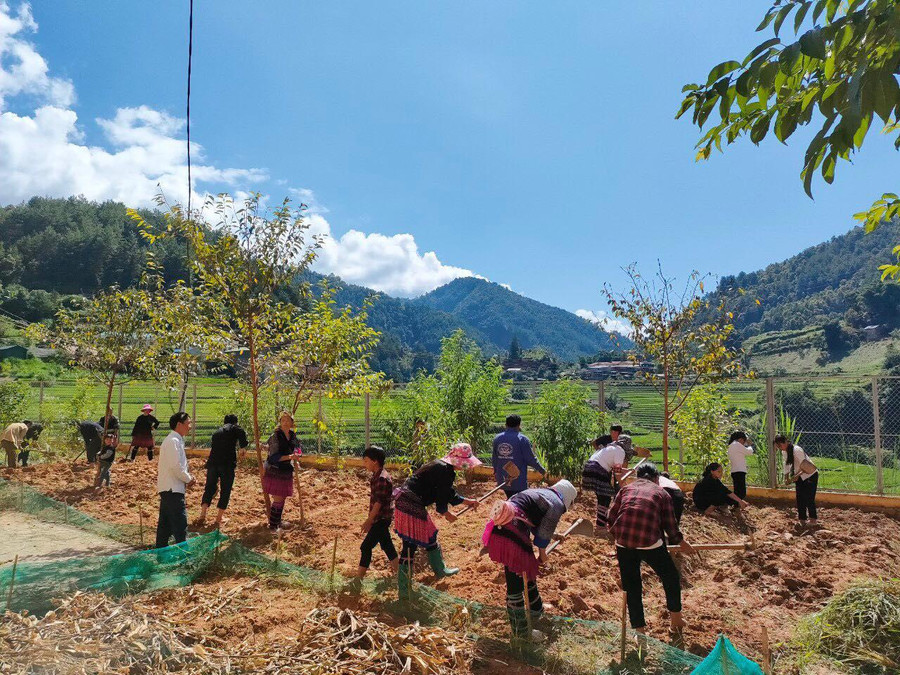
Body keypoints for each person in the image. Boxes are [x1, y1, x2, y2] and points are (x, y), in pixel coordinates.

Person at [482, 479, 578, 641]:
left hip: (502, 524)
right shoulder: (556, 504)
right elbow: (543, 533)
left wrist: (554, 535)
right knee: (516, 581)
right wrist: (542, 554)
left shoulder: (542, 493)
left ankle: (535, 610)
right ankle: (521, 633)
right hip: (513, 530)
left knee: (527, 569)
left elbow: (531, 519)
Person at [608, 462, 694, 634]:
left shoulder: (625, 489)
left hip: (623, 542)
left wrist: (619, 535)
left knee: (631, 586)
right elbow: (670, 525)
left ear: (638, 477)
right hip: (649, 541)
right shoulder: (661, 493)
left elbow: (611, 516)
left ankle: (639, 631)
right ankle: (676, 619)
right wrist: (682, 542)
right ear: (657, 478)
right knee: (670, 577)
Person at [393, 443, 480, 600]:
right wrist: (446, 513)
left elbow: (448, 493)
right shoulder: (445, 471)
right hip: (411, 502)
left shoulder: (443, 467)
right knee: (409, 545)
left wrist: (469, 501)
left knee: (430, 534)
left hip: (408, 500)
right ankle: (404, 589)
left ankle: (440, 570)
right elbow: (442, 498)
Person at [354, 446, 399, 585]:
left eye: (366, 461)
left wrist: (369, 520)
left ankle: (358, 580)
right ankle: (402, 576)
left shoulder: (381, 478)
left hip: (381, 518)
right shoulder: (377, 476)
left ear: (375, 461)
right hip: (380, 518)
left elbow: (379, 502)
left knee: (365, 547)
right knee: (387, 545)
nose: (364, 464)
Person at [198, 414, 249, 528]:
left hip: (213, 463)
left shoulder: (217, 432)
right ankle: (218, 519)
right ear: (235, 422)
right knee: (225, 489)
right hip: (227, 464)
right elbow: (241, 432)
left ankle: (202, 514)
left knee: (209, 487)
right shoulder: (234, 428)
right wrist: (242, 447)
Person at [155, 412, 195, 548]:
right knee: (180, 525)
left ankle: (161, 555)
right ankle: (185, 556)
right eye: (188, 423)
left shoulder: (175, 440)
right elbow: (176, 466)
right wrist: (188, 479)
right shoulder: (173, 441)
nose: (190, 426)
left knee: (165, 527)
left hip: (170, 488)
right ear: (179, 424)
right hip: (173, 489)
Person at [262, 411, 302, 531]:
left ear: (292, 422)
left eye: (288, 420)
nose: (285, 422)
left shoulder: (292, 435)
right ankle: (273, 526)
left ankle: (278, 522)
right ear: (280, 422)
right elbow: (273, 457)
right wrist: (290, 457)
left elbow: (298, 448)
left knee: (282, 497)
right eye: (283, 420)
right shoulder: (275, 436)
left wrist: (297, 455)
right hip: (275, 470)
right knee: (278, 498)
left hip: (286, 470)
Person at [492, 414, 546, 497]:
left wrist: (496, 471)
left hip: (502, 479)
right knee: (518, 501)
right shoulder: (522, 439)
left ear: (506, 425)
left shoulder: (497, 439)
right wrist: (542, 471)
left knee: (510, 498)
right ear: (519, 425)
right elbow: (531, 459)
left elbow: (494, 458)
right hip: (518, 481)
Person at [582, 434, 623, 531]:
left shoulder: (608, 447)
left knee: (602, 497)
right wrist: (622, 486)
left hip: (589, 467)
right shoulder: (620, 451)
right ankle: (600, 525)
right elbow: (617, 472)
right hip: (598, 470)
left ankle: (601, 523)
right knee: (606, 497)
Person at [776, 435, 819, 525]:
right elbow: (786, 464)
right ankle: (802, 520)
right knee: (800, 498)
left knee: (809, 498)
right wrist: (786, 478)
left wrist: (797, 475)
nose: (779, 448)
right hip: (799, 476)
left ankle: (813, 520)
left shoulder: (797, 450)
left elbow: (805, 465)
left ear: (785, 442)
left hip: (810, 474)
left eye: (780, 445)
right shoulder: (784, 452)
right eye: (777, 446)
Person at [726, 431, 754, 500]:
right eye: (744, 441)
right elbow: (749, 452)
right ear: (740, 439)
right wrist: (750, 445)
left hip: (734, 471)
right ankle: (731, 503)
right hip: (739, 471)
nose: (744, 443)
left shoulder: (731, 445)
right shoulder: (737, 444)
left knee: (737, 492)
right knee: (741, 493)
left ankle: (736, 504)